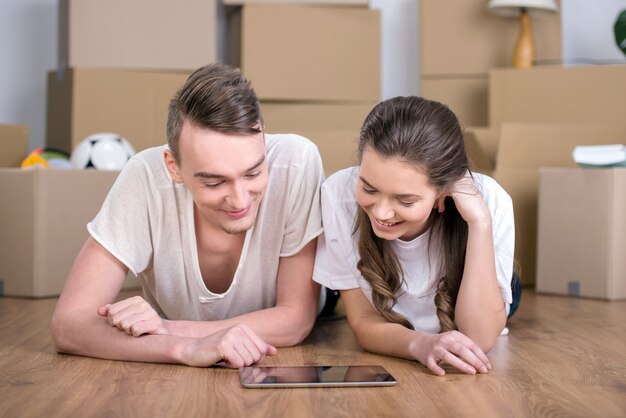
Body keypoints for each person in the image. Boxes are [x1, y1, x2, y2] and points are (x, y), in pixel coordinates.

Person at [51, 63, 325, 368]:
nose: (239, 199)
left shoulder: (296, 162)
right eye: (214, 182)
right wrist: (183, 349)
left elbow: (295, 320)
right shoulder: (145, 178)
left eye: (254, 172)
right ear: (174, 167)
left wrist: (169, 329)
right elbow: (67, 325)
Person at [313, 96, 518, 376]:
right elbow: (364, 323)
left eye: (405, 200)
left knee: (510, 297)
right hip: (394, 302)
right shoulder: (338, 194)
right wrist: (421, 344)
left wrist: (480, 222)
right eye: (369, 189)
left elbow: (478, 339)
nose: (382, 213)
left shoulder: (491, 200)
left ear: (443, 192)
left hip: (465, 292)